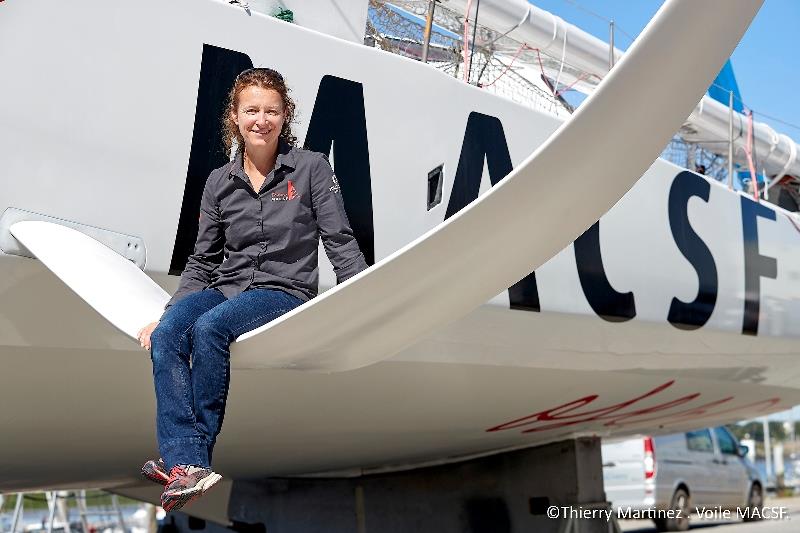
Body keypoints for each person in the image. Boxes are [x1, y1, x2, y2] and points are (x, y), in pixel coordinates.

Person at [136, 68, 368, 512]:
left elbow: (338, 239)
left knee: (210, 330)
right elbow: (203, 260)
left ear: (285, 116)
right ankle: (188, 463)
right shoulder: (219, 183)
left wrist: (360, 300)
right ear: (235, 118)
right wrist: (169, 313)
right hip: (229, 285)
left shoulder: (312, 168)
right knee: (167, 336)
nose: (262, 120)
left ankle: (189, 461)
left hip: (284, 288)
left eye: (272, 111)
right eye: (252, 110)